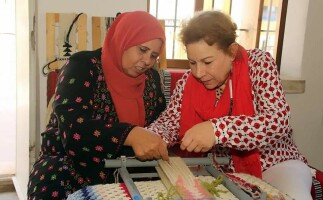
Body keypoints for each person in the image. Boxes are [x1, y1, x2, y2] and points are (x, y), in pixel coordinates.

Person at [147, 11, 312, 199]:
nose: (199, 72)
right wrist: (148, 136)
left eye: (207, 62)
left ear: (232, 52)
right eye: (192, 62)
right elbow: (169, 123)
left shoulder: (258, 65)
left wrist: (218, 130)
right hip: (218, 170)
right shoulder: (188, 82)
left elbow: (278, 121)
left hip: (274, 164)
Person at [28, 11, 169, 199]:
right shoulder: (83, 66)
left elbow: (161, 125)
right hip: (72, 165)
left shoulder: (151, 80)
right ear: (124, 40)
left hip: (129, 168)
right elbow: (73, 129)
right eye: (142, 50)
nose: (147, 61)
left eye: (153, 55)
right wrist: (130, 134)